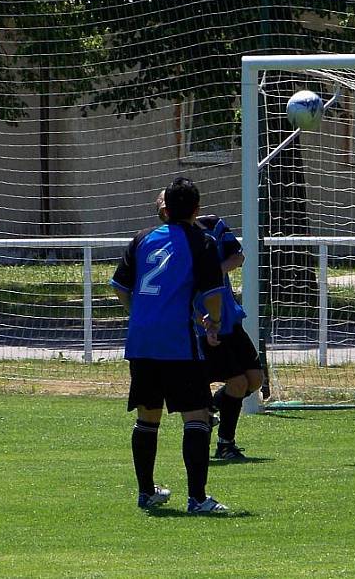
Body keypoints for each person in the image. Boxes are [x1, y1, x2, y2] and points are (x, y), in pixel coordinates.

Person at [111, 177, 229, 514]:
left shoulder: (143, 238)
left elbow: (120, 286)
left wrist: (141, 314)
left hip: (141, 338)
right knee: (198, 415)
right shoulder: (200, 241)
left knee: (148, 414)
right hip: (176, 340)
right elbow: (212, 294)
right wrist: (214, 322)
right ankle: (198, 498)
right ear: (196, 208)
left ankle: (147, 492)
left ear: (166, 208)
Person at [156, 190, 263, 460]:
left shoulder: (213, 225)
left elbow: (237, 257)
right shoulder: (172, 241)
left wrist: (212, 271)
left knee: (255, 379)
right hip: (204, 322)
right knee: (238, 381)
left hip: (228, 316)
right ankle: (225, 444)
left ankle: (211, 409)